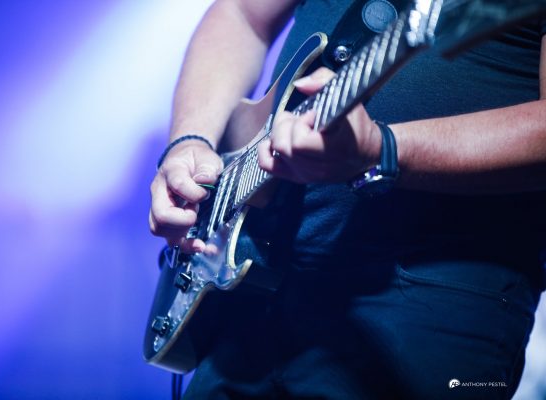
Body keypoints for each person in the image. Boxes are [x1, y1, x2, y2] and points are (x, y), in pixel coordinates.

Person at [149, 0, 546, 398]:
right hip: (253, 286)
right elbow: (242, 14)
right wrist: (189, 140)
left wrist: (383, 150)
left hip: (433, 300)